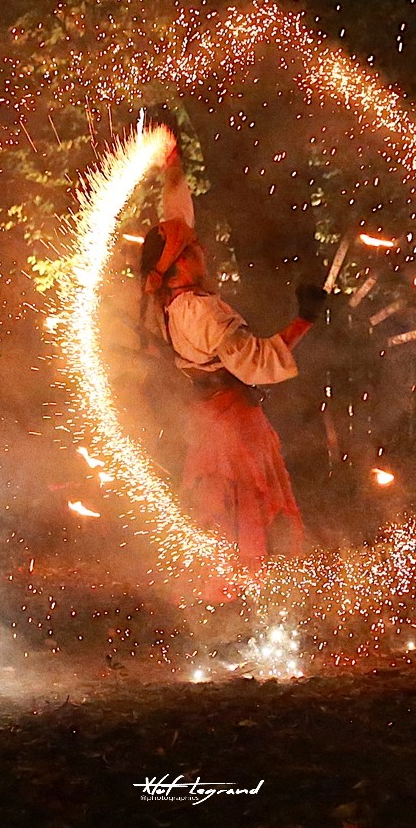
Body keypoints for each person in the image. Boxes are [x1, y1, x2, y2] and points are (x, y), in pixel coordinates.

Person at [137, 134, 326, 584]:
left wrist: (172, 162)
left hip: (218, 418)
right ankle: (234, 602)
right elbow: (257, 362)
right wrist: (305, 320)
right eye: (191, 251)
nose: (201, 250)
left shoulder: (177, 297)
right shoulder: (198, 311)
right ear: (178, 266)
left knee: (234, 512)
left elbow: (176, 217)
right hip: (230, 425)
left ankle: (237, 600)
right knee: (239, 511)